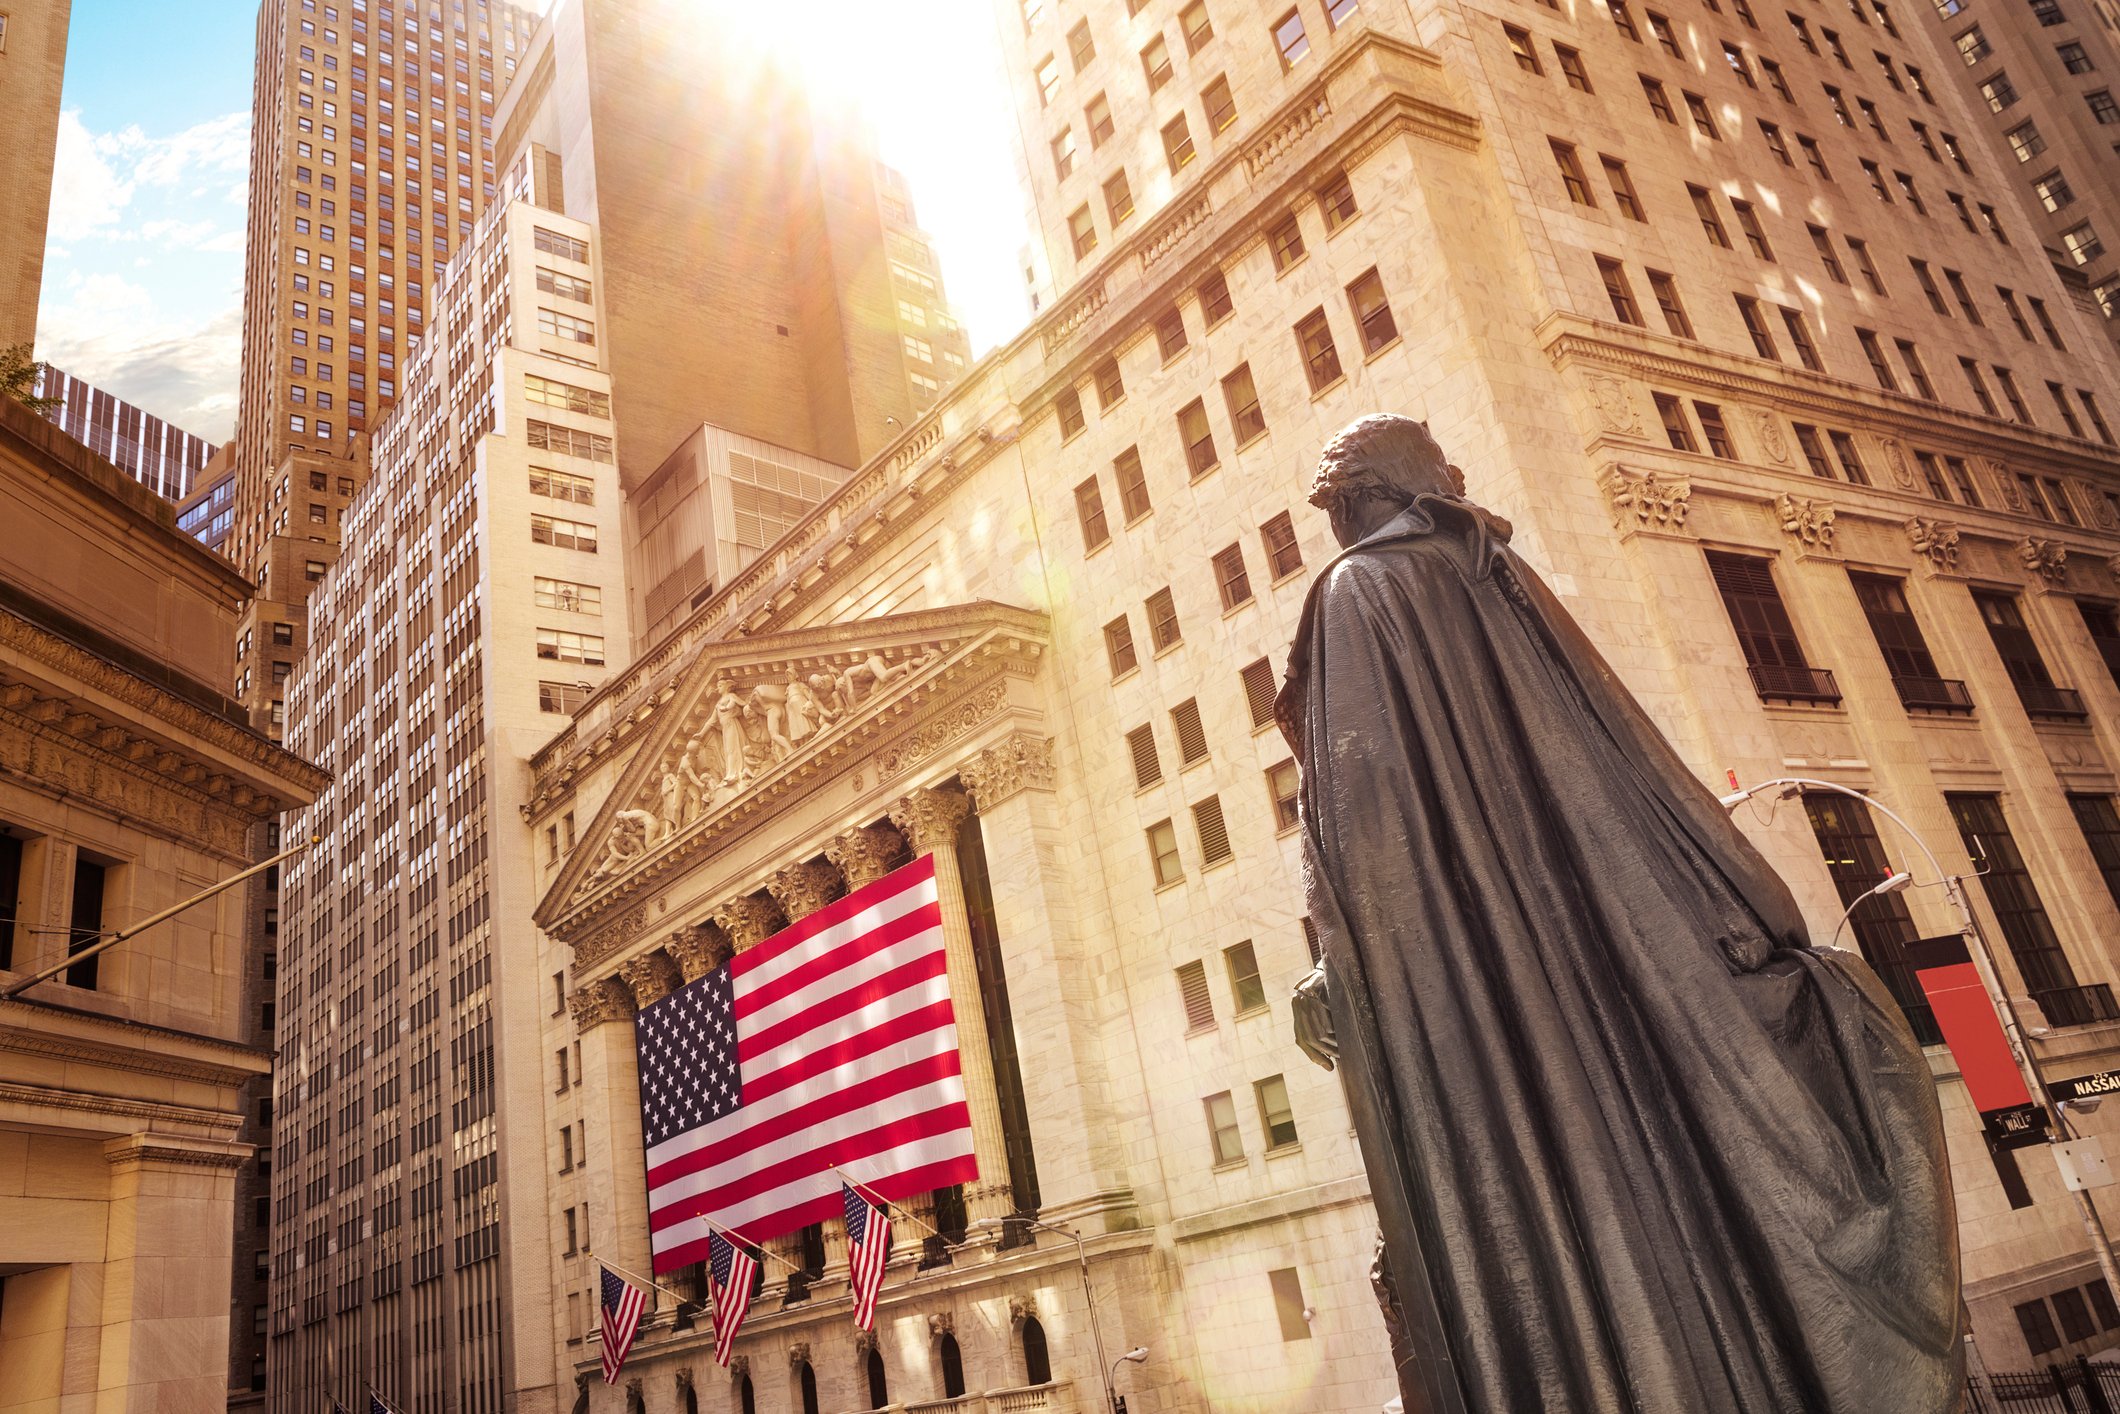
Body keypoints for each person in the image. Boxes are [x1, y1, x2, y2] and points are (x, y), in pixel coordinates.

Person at [1282, 414, 1961, 1414]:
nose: (1332, 520)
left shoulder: (1360, 592)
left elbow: (1366, 820)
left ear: (1363, 496)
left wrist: (1336, 966)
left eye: (1336, 498)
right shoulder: (1497, 585)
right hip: (1583, 992)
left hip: (1481, 1020)